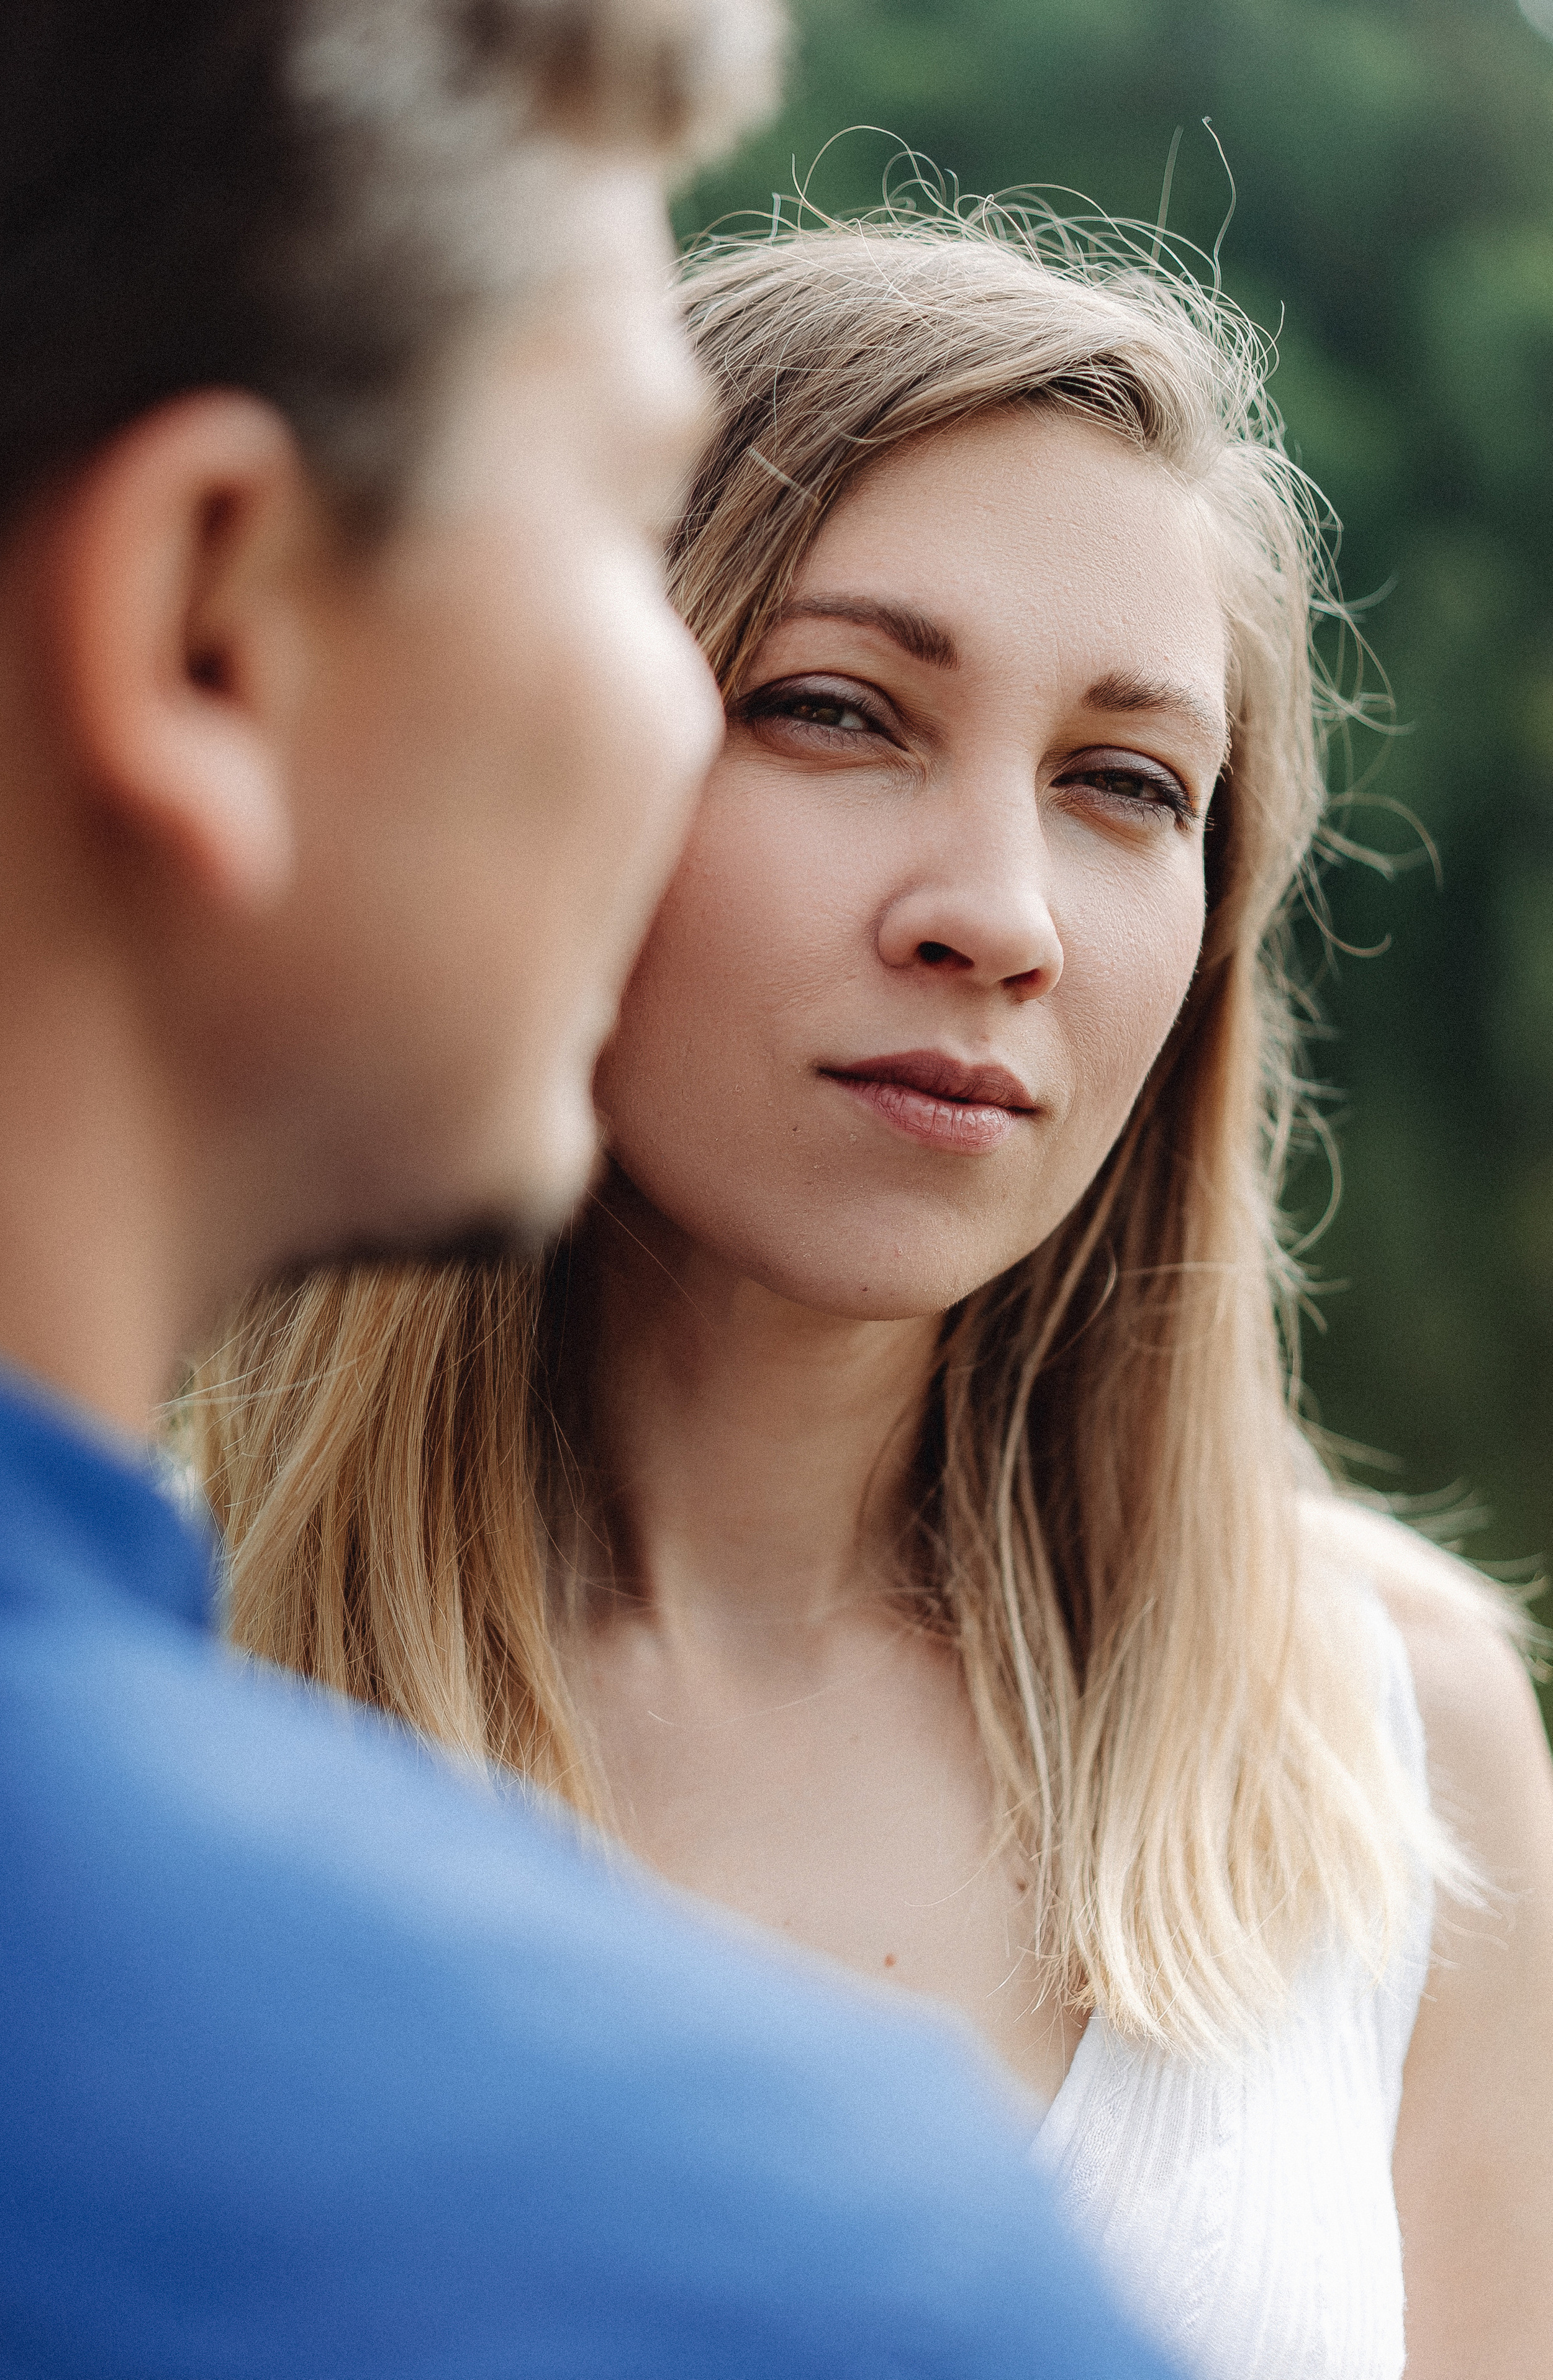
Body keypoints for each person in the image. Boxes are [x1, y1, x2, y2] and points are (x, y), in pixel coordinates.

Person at [194, 204, 1553, 2380]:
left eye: (1125, 783)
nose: (1001, 913)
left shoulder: (1397, 1752)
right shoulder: (144, 1705)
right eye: (836, 711)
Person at [0, 10, 1184, 2374]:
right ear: (206, 620)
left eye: (1134, 779)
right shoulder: (808, 2271)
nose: (998, 914)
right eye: (636, 538)